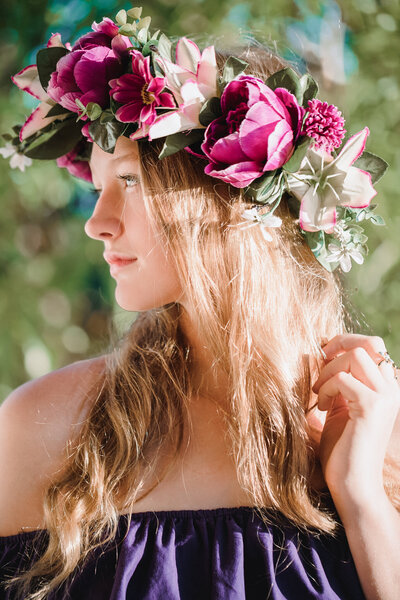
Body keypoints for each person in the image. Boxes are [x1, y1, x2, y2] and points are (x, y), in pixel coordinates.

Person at [0, 7, 399, 600]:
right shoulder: (48, 428)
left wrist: (361, 495)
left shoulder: (370, 422)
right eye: (96, 189)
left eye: (130, 182)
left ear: (231, 201)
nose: (97, 224)